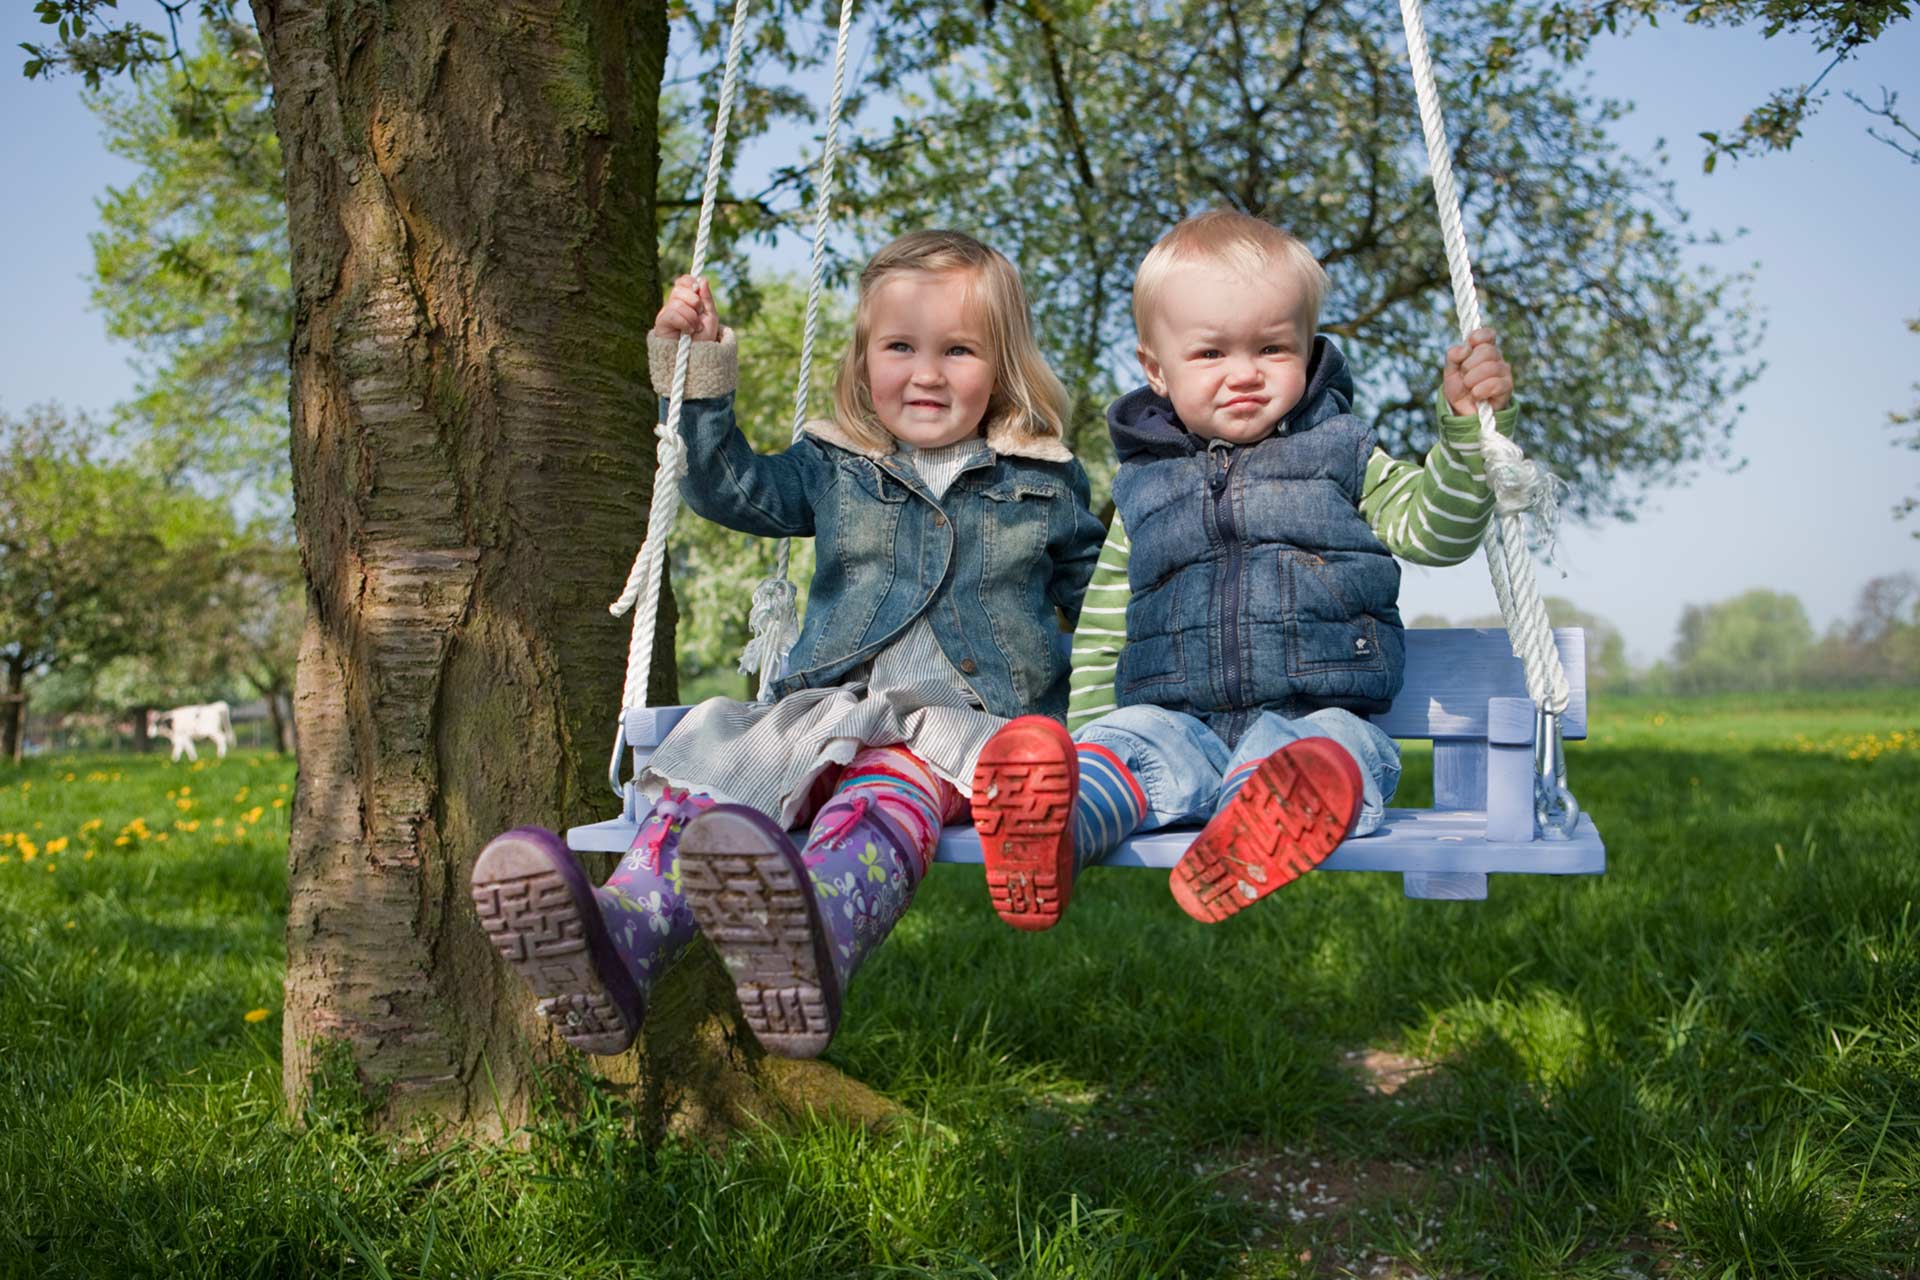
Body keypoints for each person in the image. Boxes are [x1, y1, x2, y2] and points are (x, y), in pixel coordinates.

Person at [470, 230, 1104, 1058]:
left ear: (1004, 363)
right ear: (864, 357)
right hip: (826, 703)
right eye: (900, 346)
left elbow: (1104, 608)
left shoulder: (1045, 479)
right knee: (717, 780)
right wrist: (696, 377)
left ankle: (820, 931)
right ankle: (620, 936)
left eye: (959, 350)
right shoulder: (836, 466)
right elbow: (727, 487)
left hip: (958, 724)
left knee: (882, 805)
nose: (926, 372)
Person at [969, 209, 1517, 930]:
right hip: (1176, 724)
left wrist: (1468, 433)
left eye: (1271, 348)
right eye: (1211, 355)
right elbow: (1106, 628)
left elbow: (1437, 531)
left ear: (1307, 347)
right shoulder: (1142, 493)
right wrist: (1099, 733)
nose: (1245, 375)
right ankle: (1054, 831)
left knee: (1323, 756)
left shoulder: (1344, 456)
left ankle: (1257, 827)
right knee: (1130, 751)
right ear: (1156, 371)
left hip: (1322, 720)